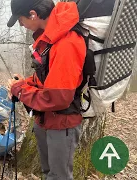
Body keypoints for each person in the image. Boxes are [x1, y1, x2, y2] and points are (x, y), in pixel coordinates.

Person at [7, 0, 86, 179]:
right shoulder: (50, 38)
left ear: (33, 14)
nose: (21, 24)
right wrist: (24, 83)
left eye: (20, 20)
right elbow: (47, 78)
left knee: (59, 177)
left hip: (61, 124)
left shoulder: (66, 42)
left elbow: (57, 98)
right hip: (46, 121)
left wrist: (20, 91)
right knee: (47, 173)